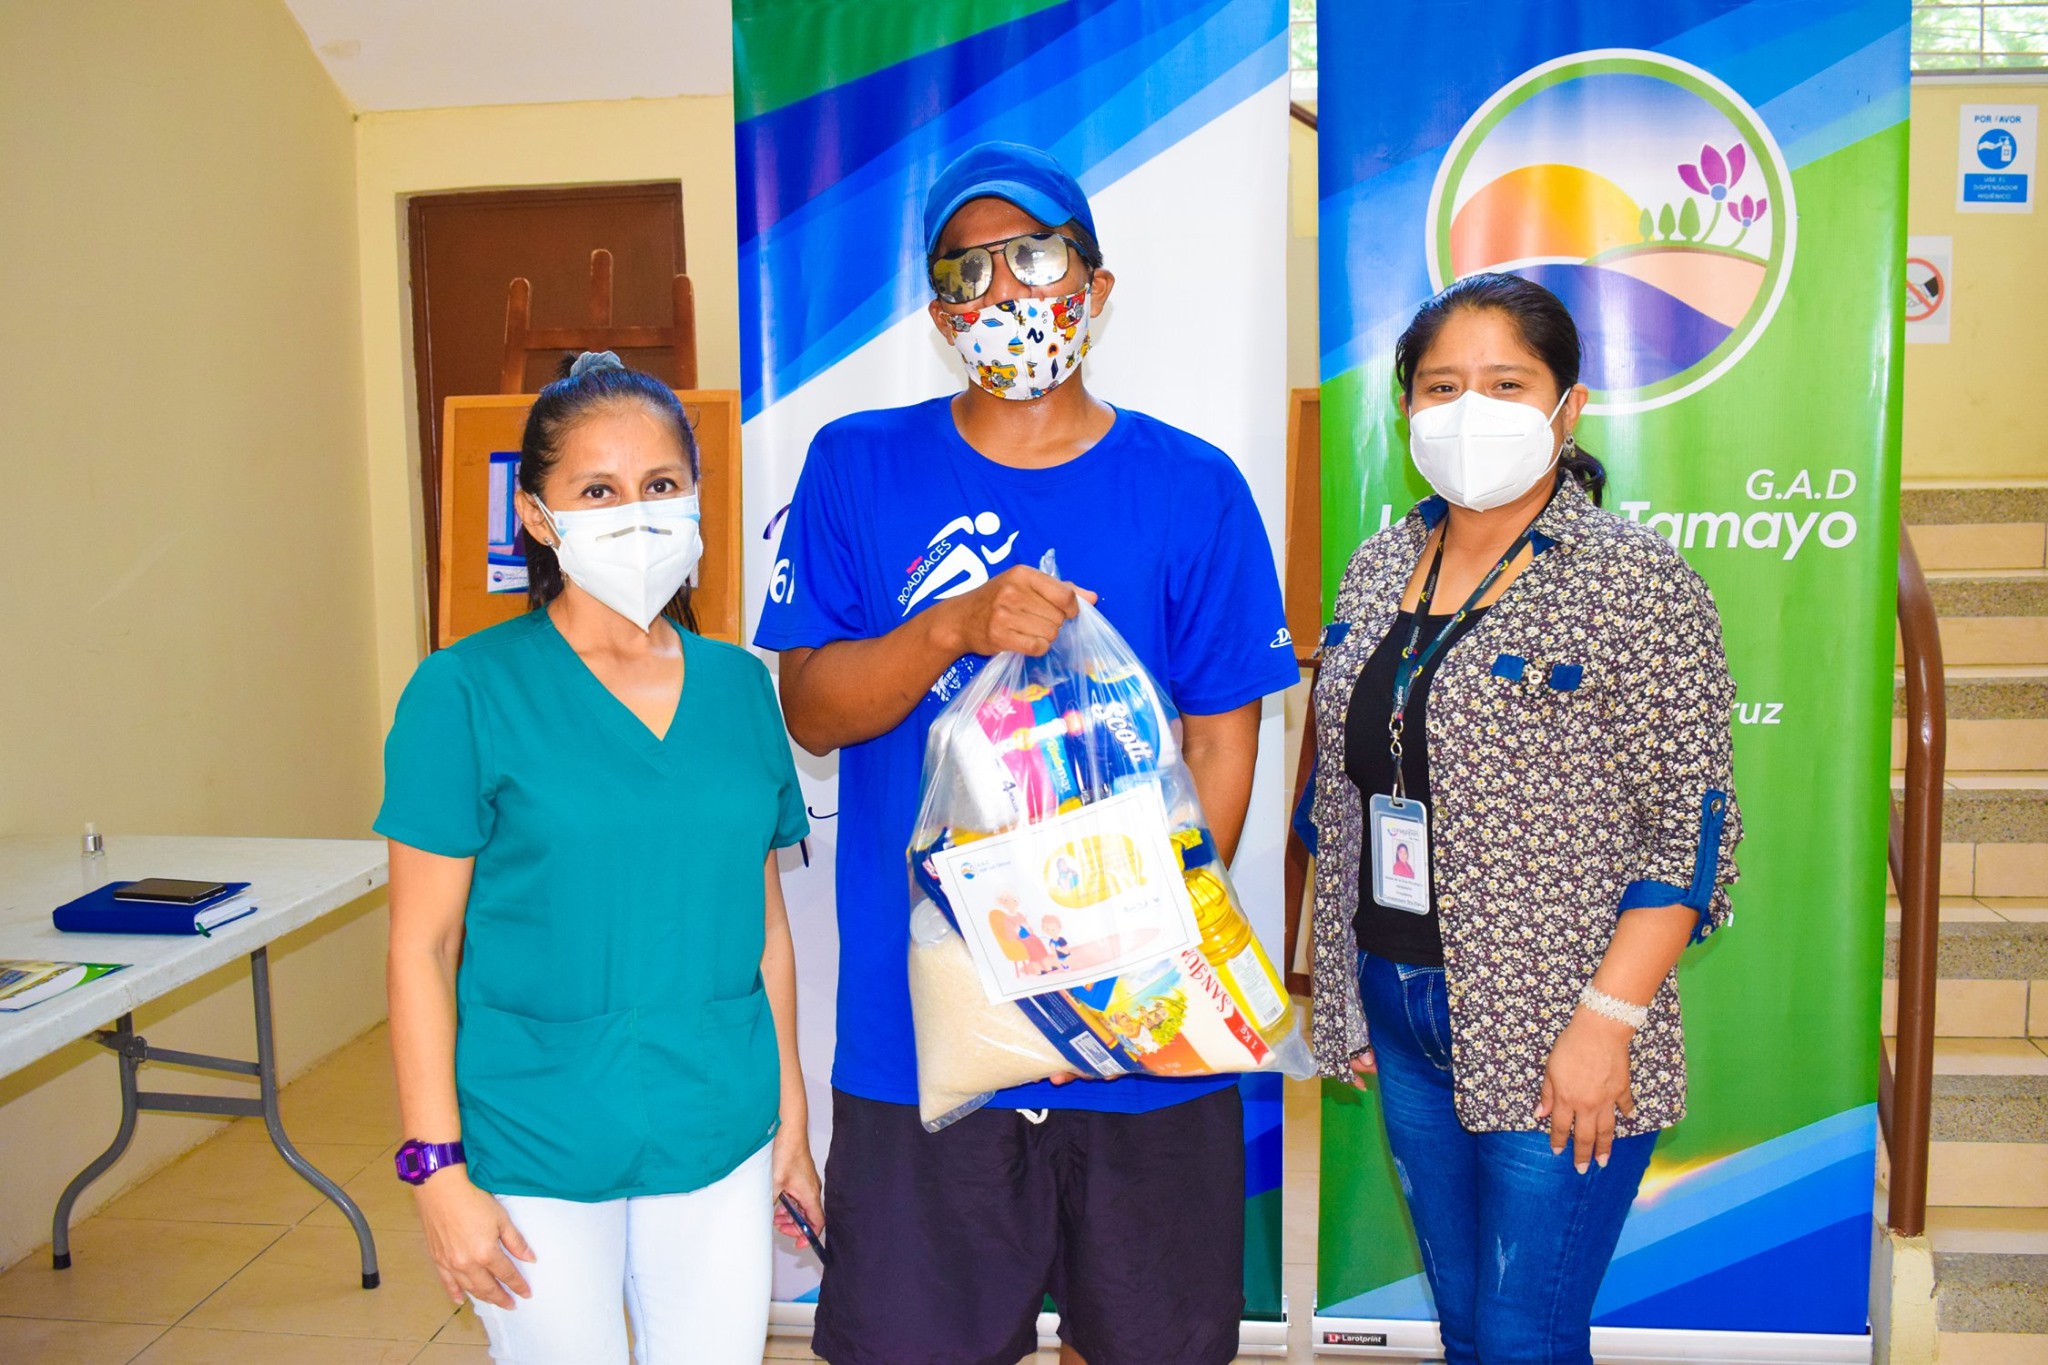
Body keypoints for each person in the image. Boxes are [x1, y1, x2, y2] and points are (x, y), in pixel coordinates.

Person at [755, 142, 1299, 1365]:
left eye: (1035, 257)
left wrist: (1129, 947)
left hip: (1145, 1038)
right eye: (967, 269)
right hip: (922, 1038)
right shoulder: (856, 463)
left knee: (1149, 1344)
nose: (1002, 291)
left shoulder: (1193, 485)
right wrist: (947, 627)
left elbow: (1224, 736)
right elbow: (814, 712)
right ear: (938, 312)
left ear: (1095, 287)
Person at [1306, 274, 1743, 1365]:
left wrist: (1605, 1027)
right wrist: (1345, 994)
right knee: (1466, 1329)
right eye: (1442, 385)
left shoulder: (1637, 583)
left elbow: (1689, 832)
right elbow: (1345, 795)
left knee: (1523, 1337)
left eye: (1506, 384)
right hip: (1399, 1000)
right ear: (1406, 408)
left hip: (1560, 1015)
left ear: (1567, 406)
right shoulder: (1377, 565)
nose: (1470, 409)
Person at [380, 352, 821, 1364]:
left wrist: (790, 1120)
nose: (637, 513)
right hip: (535, 1130)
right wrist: (436, 1169)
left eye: (660, 484)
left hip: (718, 1123)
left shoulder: (737, 688)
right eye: (597, 491)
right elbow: (420, 947)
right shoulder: (463, 692)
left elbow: (764, 929)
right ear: (536, 517)